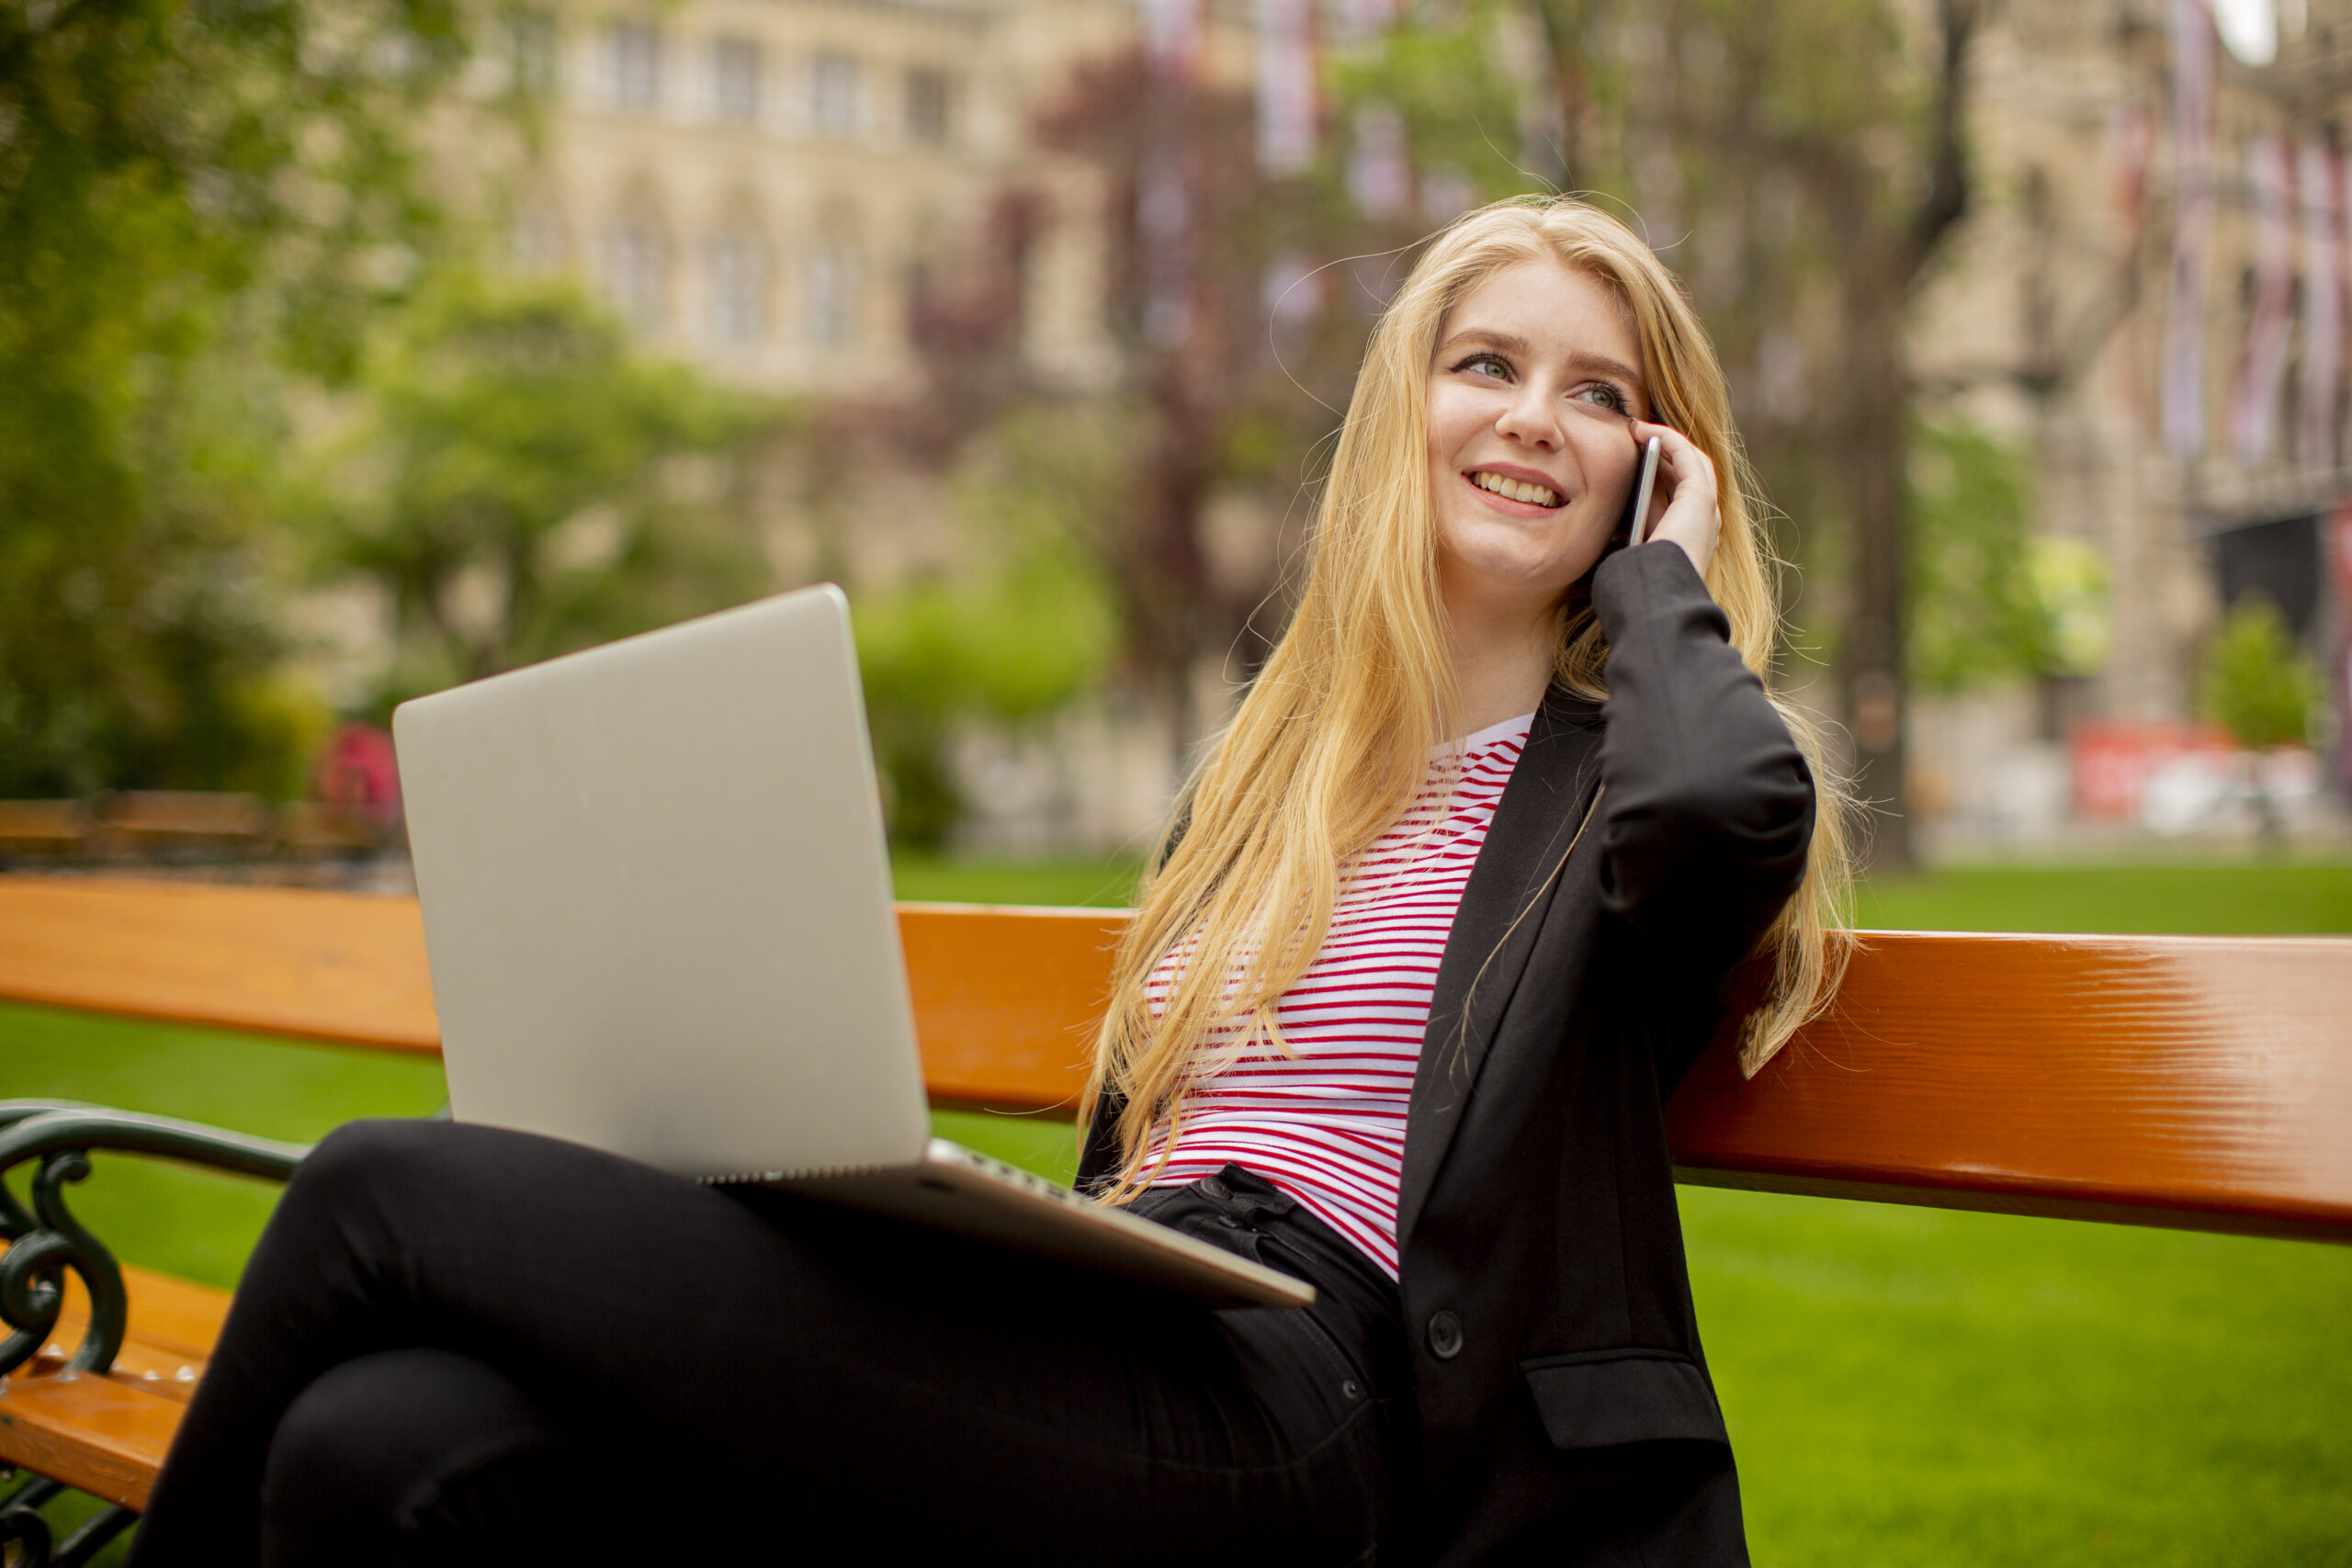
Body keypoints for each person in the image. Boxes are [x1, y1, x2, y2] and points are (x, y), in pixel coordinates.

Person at [129, 195, 1850, 1568]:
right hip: (1129, 1303)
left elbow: (1724, 813)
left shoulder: (1624, 788)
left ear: (1657, 467)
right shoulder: (1272, 781)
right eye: (1486, 364)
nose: (1535, 417)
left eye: (1601, 393)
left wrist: (1662, 587)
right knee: (395, 1449)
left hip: (1318, 1401)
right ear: (1405, 407)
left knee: (381, 1195)